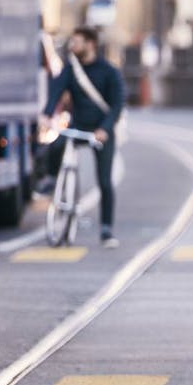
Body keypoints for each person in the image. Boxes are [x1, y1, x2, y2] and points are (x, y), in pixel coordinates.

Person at [39, 26, 125, 248]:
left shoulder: (108, 71)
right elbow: (56, 91)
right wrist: (47, 115)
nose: (72, 46)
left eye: (76, 42)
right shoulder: (71, 69)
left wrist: (105, 129)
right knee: (55, 145)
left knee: (105, 181)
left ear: (91, 44)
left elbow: (117, 105)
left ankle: (106, 230)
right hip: (78, 126)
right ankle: (51, 178)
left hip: (101, 131)